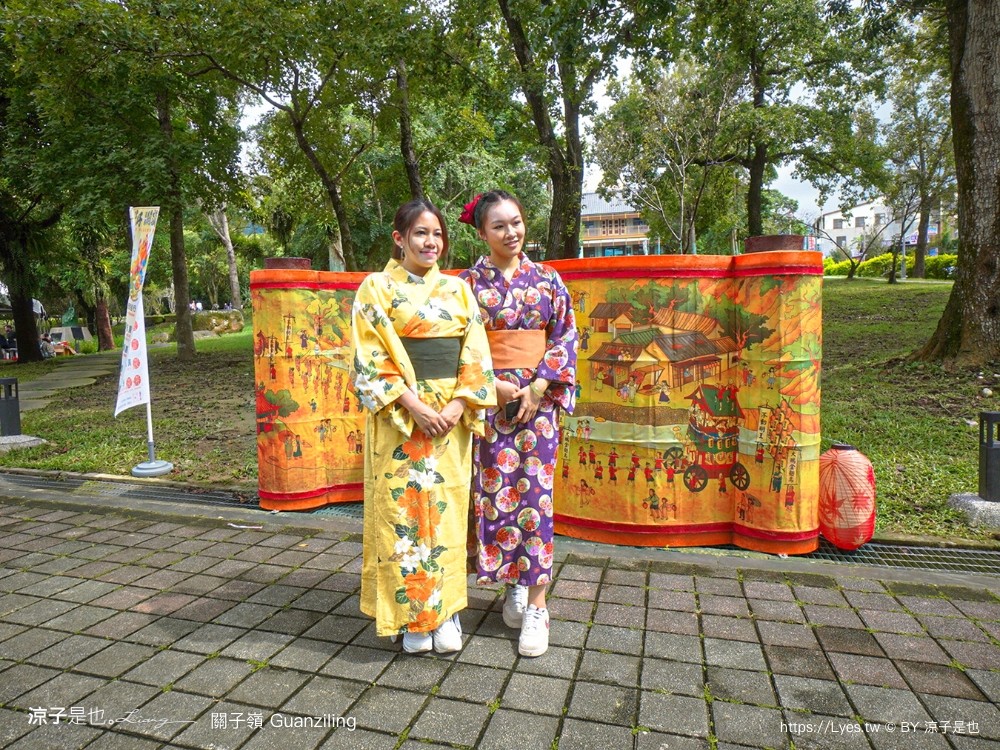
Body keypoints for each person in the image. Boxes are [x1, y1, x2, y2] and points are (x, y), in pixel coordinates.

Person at [350, 199, 495, 655]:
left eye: (437, 234)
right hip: (401, 417)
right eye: (420, 234)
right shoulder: (375, 288)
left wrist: (456, 404)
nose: (430, 242)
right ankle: (413, 616)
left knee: (448, 514)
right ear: (400, 239)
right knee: (404, 516)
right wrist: (413, 405)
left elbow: (476, 350)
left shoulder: (458, 290)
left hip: (450, 419)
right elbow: (368, 357)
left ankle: (448, 611)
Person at [459, 189, 578, 657]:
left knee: (536, 499)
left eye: (516, 222)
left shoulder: (548, 280)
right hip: (491, 408)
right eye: (499, 226)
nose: (511, 233)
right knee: (494, 499)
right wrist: (493, 386)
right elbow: (459, 348)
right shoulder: (467, 285)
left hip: (539, 408)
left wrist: (538, 386)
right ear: (482, 233)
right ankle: (511, 581)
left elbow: (566, 334)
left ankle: (537, 605)